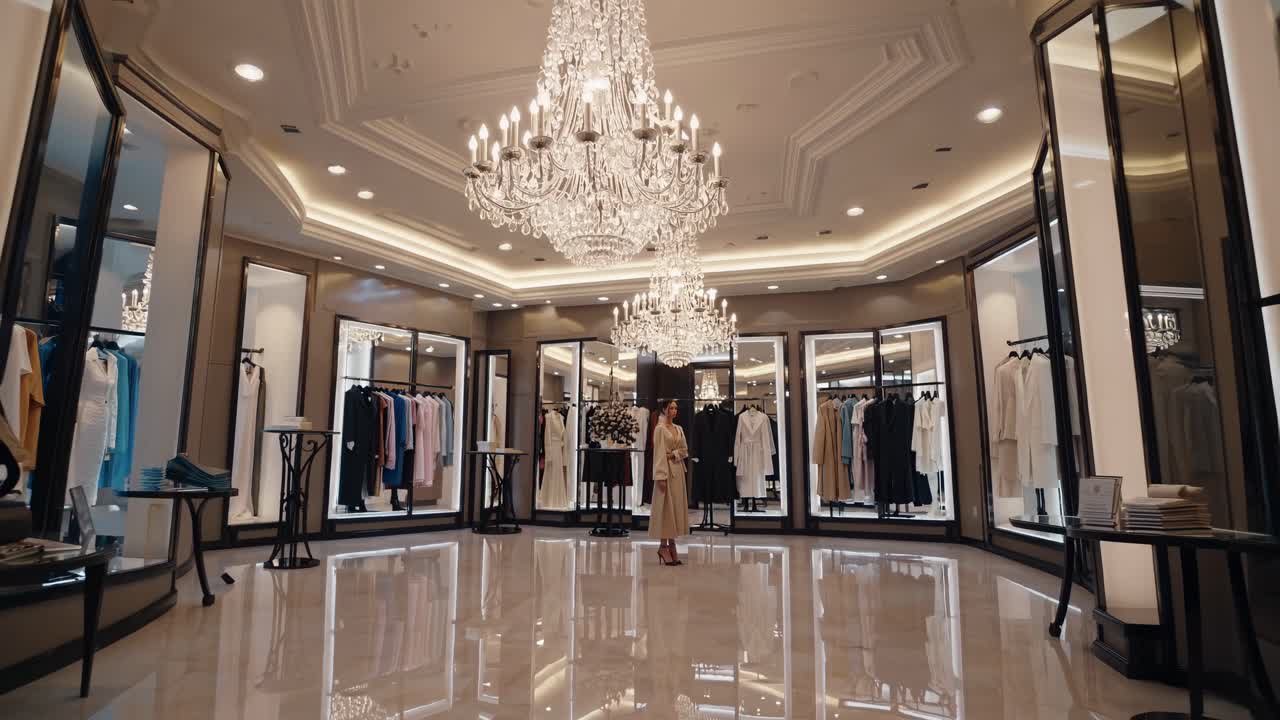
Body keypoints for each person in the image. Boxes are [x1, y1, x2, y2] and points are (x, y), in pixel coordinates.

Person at [649, 399, 689, 565]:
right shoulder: (659, 429)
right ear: (664, 410)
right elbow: (658, 454)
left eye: (676, 408)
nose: (674, 410)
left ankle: (672, 544)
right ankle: (663, 546)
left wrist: (673, 455)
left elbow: (684, 450)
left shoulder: (679, 429)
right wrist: (660, 476)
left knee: (676, 509)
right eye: (671, 408)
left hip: (678, 472)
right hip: (665, 472)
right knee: (665, 510)